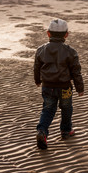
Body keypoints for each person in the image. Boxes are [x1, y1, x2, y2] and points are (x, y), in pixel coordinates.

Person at [34, 18, 84, 149]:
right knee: (67, 108)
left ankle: (42, 131)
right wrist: (80, 88)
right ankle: (66, 131)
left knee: (48, 109)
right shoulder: (71, 51)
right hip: (64, 87)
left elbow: (36, 67)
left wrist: (37, 80)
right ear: (66, 34)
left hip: (47, 86)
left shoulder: (41, 50)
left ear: (48, 33)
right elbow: (76, 71)